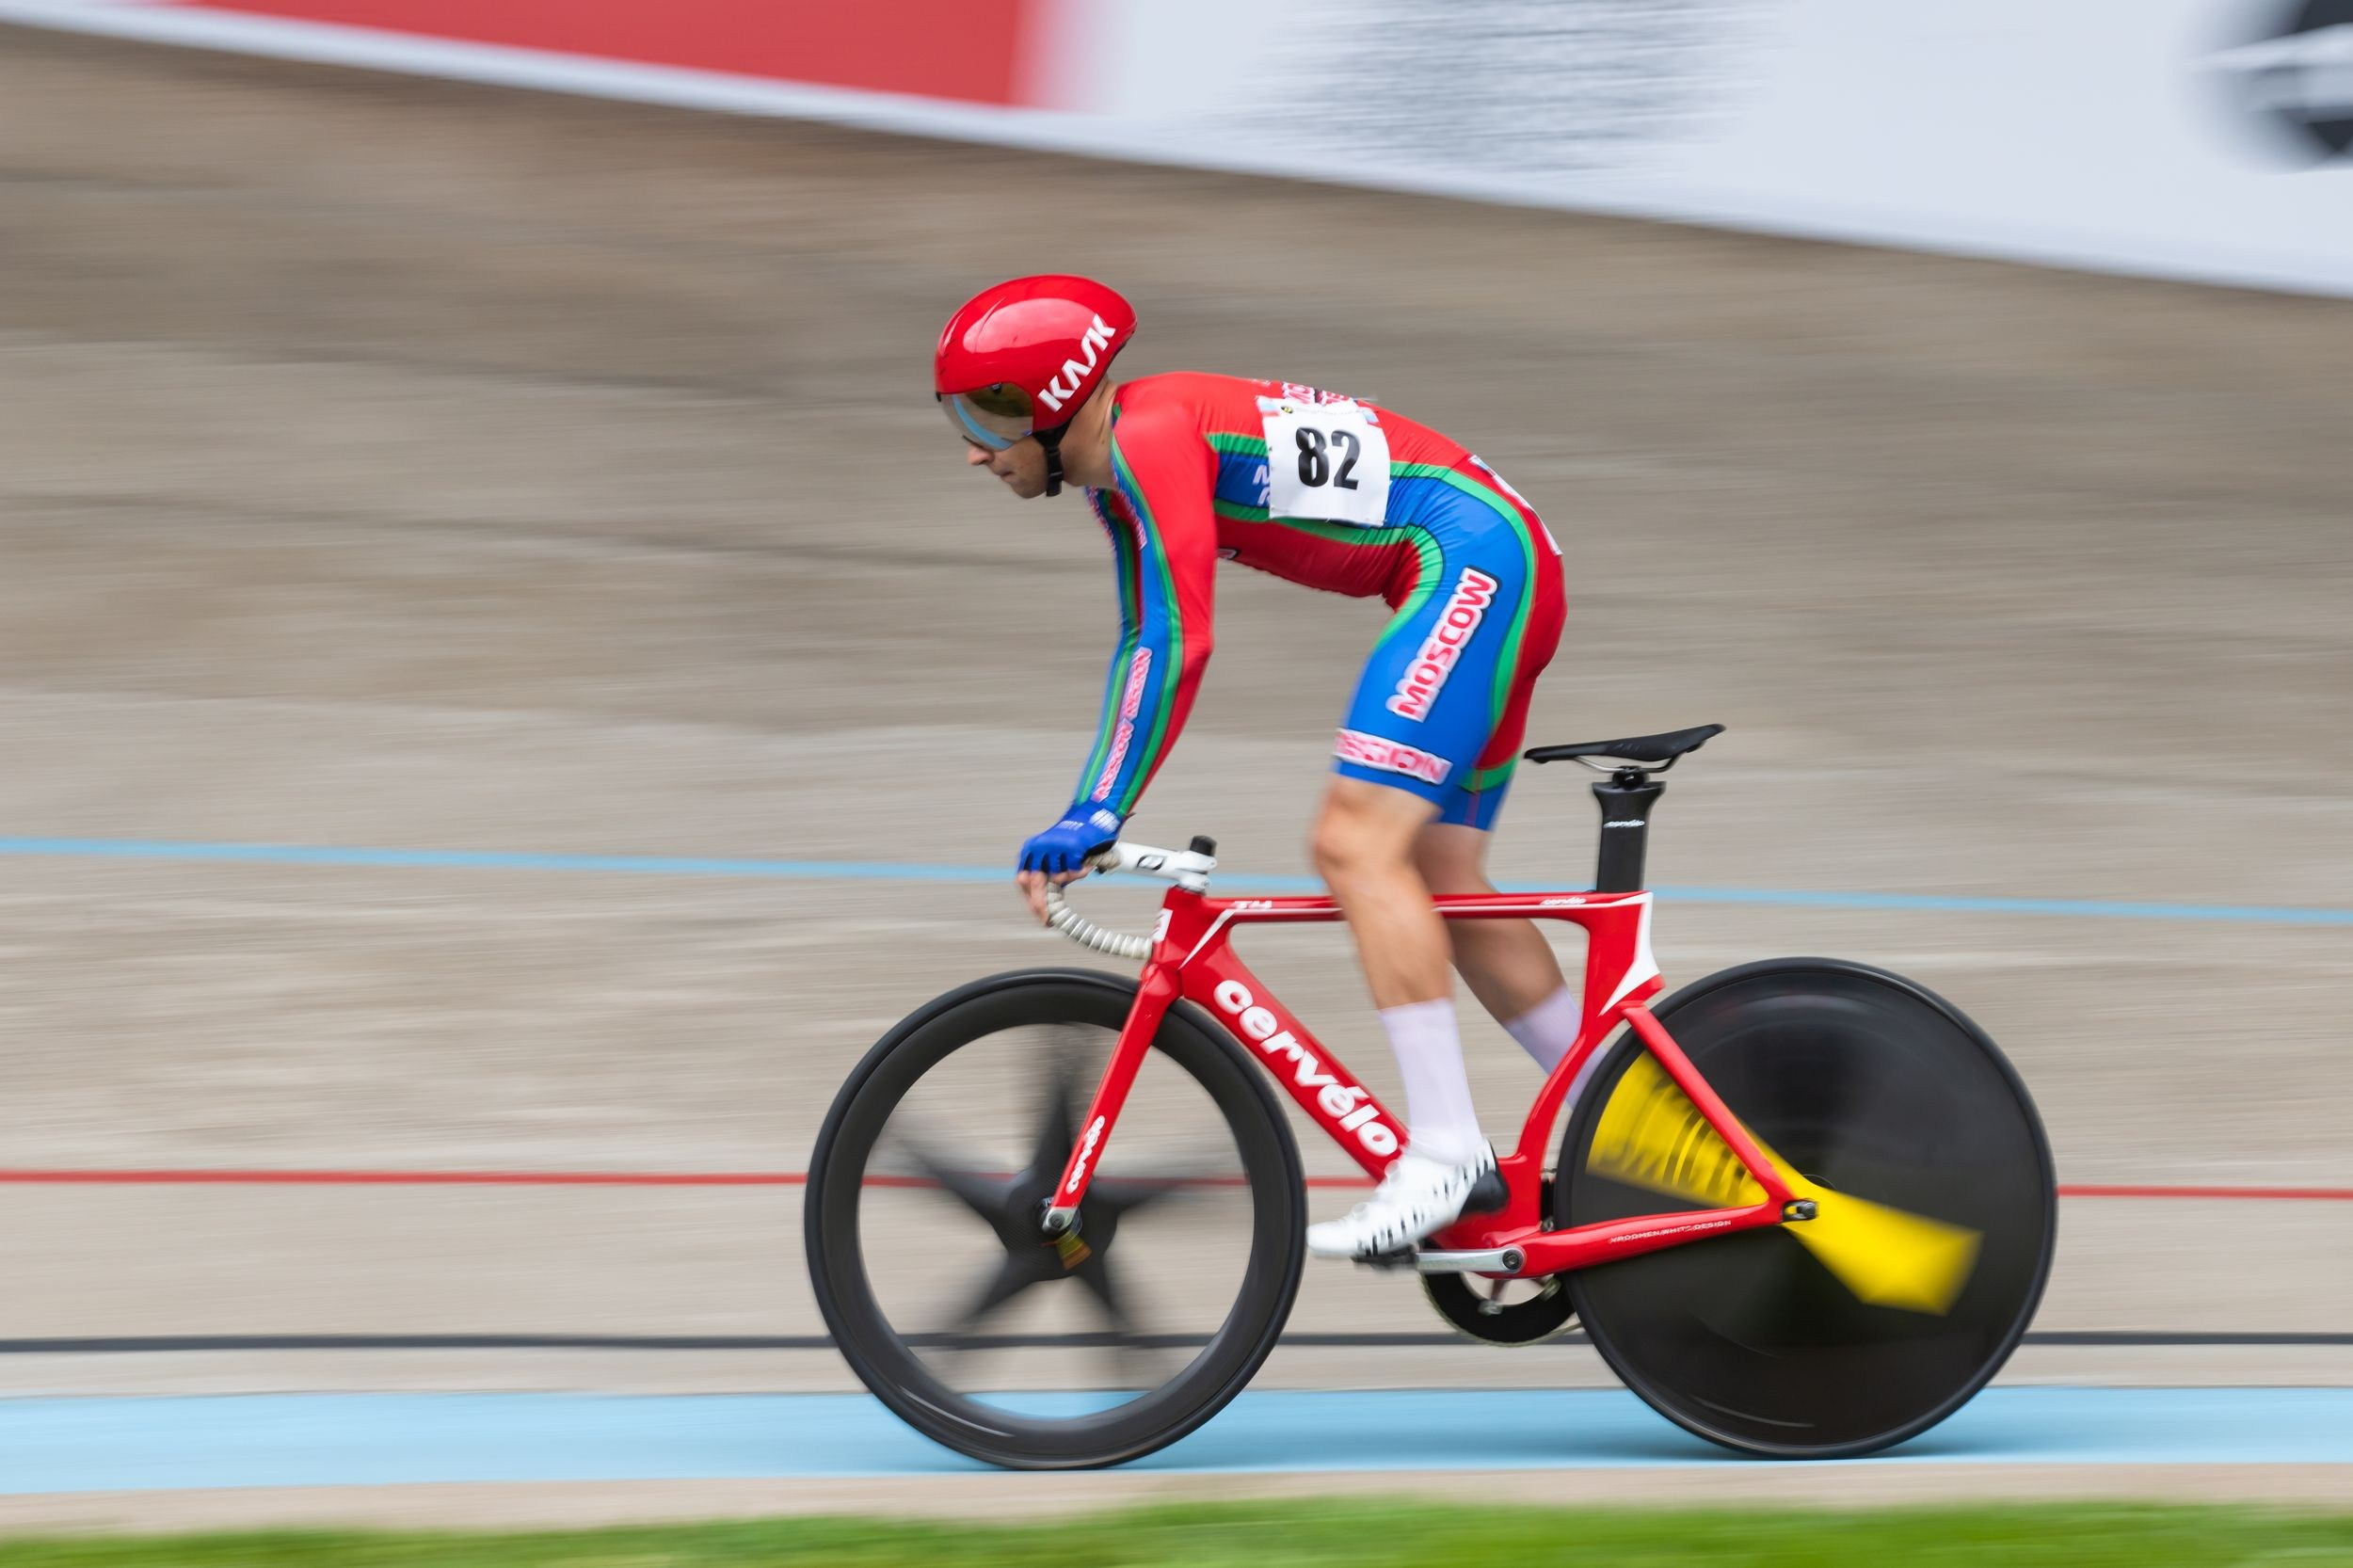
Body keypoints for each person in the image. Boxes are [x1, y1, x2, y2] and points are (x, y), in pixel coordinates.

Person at [936, 275, 1574, 1259]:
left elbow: (1179, 640)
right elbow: (1142, 638)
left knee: (1354, 842)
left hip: (1472, 561)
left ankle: (1446, 1149)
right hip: (1501, 556)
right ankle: (1639, 1117)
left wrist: (1097, 810)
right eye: (959, 417)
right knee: (1441, 874)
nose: (974, 447)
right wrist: (1092, 803)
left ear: (1055, 397)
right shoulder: (1126, 468)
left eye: (987, 413)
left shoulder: (1146, 440)